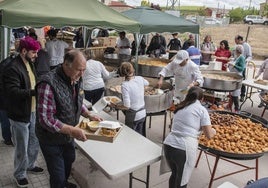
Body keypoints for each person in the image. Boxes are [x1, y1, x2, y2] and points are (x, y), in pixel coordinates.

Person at [35, 49, 102, 188]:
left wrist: (88, 114)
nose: (82, 74)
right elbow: (45, 119)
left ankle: (64, 183)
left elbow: (76, 101)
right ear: (66, 64)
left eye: (84, 70)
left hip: (68, 136)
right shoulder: (47, 83)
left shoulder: (76, 78)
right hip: (51, 140)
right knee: (57, 175)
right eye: (79, 69)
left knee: (69, 161)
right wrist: (72, 130)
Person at [3, 36, 44, 188]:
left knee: (34, 140)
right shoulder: (12, 68)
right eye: (34, 52)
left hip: (33, 111)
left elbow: (34, 80)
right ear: (24, 51)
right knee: (21, 145)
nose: (36, 55)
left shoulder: (30, 63)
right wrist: (34, 92)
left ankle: (30, 165)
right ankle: (19, 174)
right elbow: (12, 92)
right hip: (19, 114)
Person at [163, 86, 216, 188]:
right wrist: (214, 131)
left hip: (169, 144)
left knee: (174, 175)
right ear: (202, 99)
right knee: (182, 181)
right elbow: (209, 135)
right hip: (183, 148)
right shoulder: (201, 110)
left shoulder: (180, 107)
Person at [113, 62, 149, 136]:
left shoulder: (125, 85)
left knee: (131, 137)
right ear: (133, 70)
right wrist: (141, 90)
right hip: (143, 114)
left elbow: (127, 106)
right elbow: (147, 84)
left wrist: (115, 106)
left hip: (134, 116)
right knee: (140, 136)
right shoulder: (140, 78)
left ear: (122, 73)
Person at [0, 53, 17, 146]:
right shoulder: (11, 66)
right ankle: (8, 138)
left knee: (4, 118)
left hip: (3, 96)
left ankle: (7, 138)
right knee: (6, 118)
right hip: (5, 97)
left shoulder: (5, 63)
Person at [227, 44, 246, 113]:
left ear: (237, 51)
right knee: (232, 93)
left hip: (238, 77)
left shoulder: (242, 58)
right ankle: (229, 106)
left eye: (234, 51)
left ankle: (237, 109)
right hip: (234, 76)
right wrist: (229, 64)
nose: (234, 52)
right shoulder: (237, 57)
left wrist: (233, 65)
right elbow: (234, 62)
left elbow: (241, 68)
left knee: (235, 93)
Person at [234, 35, 252, 102]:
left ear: (239, 39)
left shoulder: (246, 46)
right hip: (236, 66)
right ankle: (235, 95)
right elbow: (235, 55)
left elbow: (250, 56)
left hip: (242, 66)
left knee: (242, 80)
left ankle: (242, 95)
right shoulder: (236, 46)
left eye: (236, 40)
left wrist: (245, 60)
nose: (235, 42)